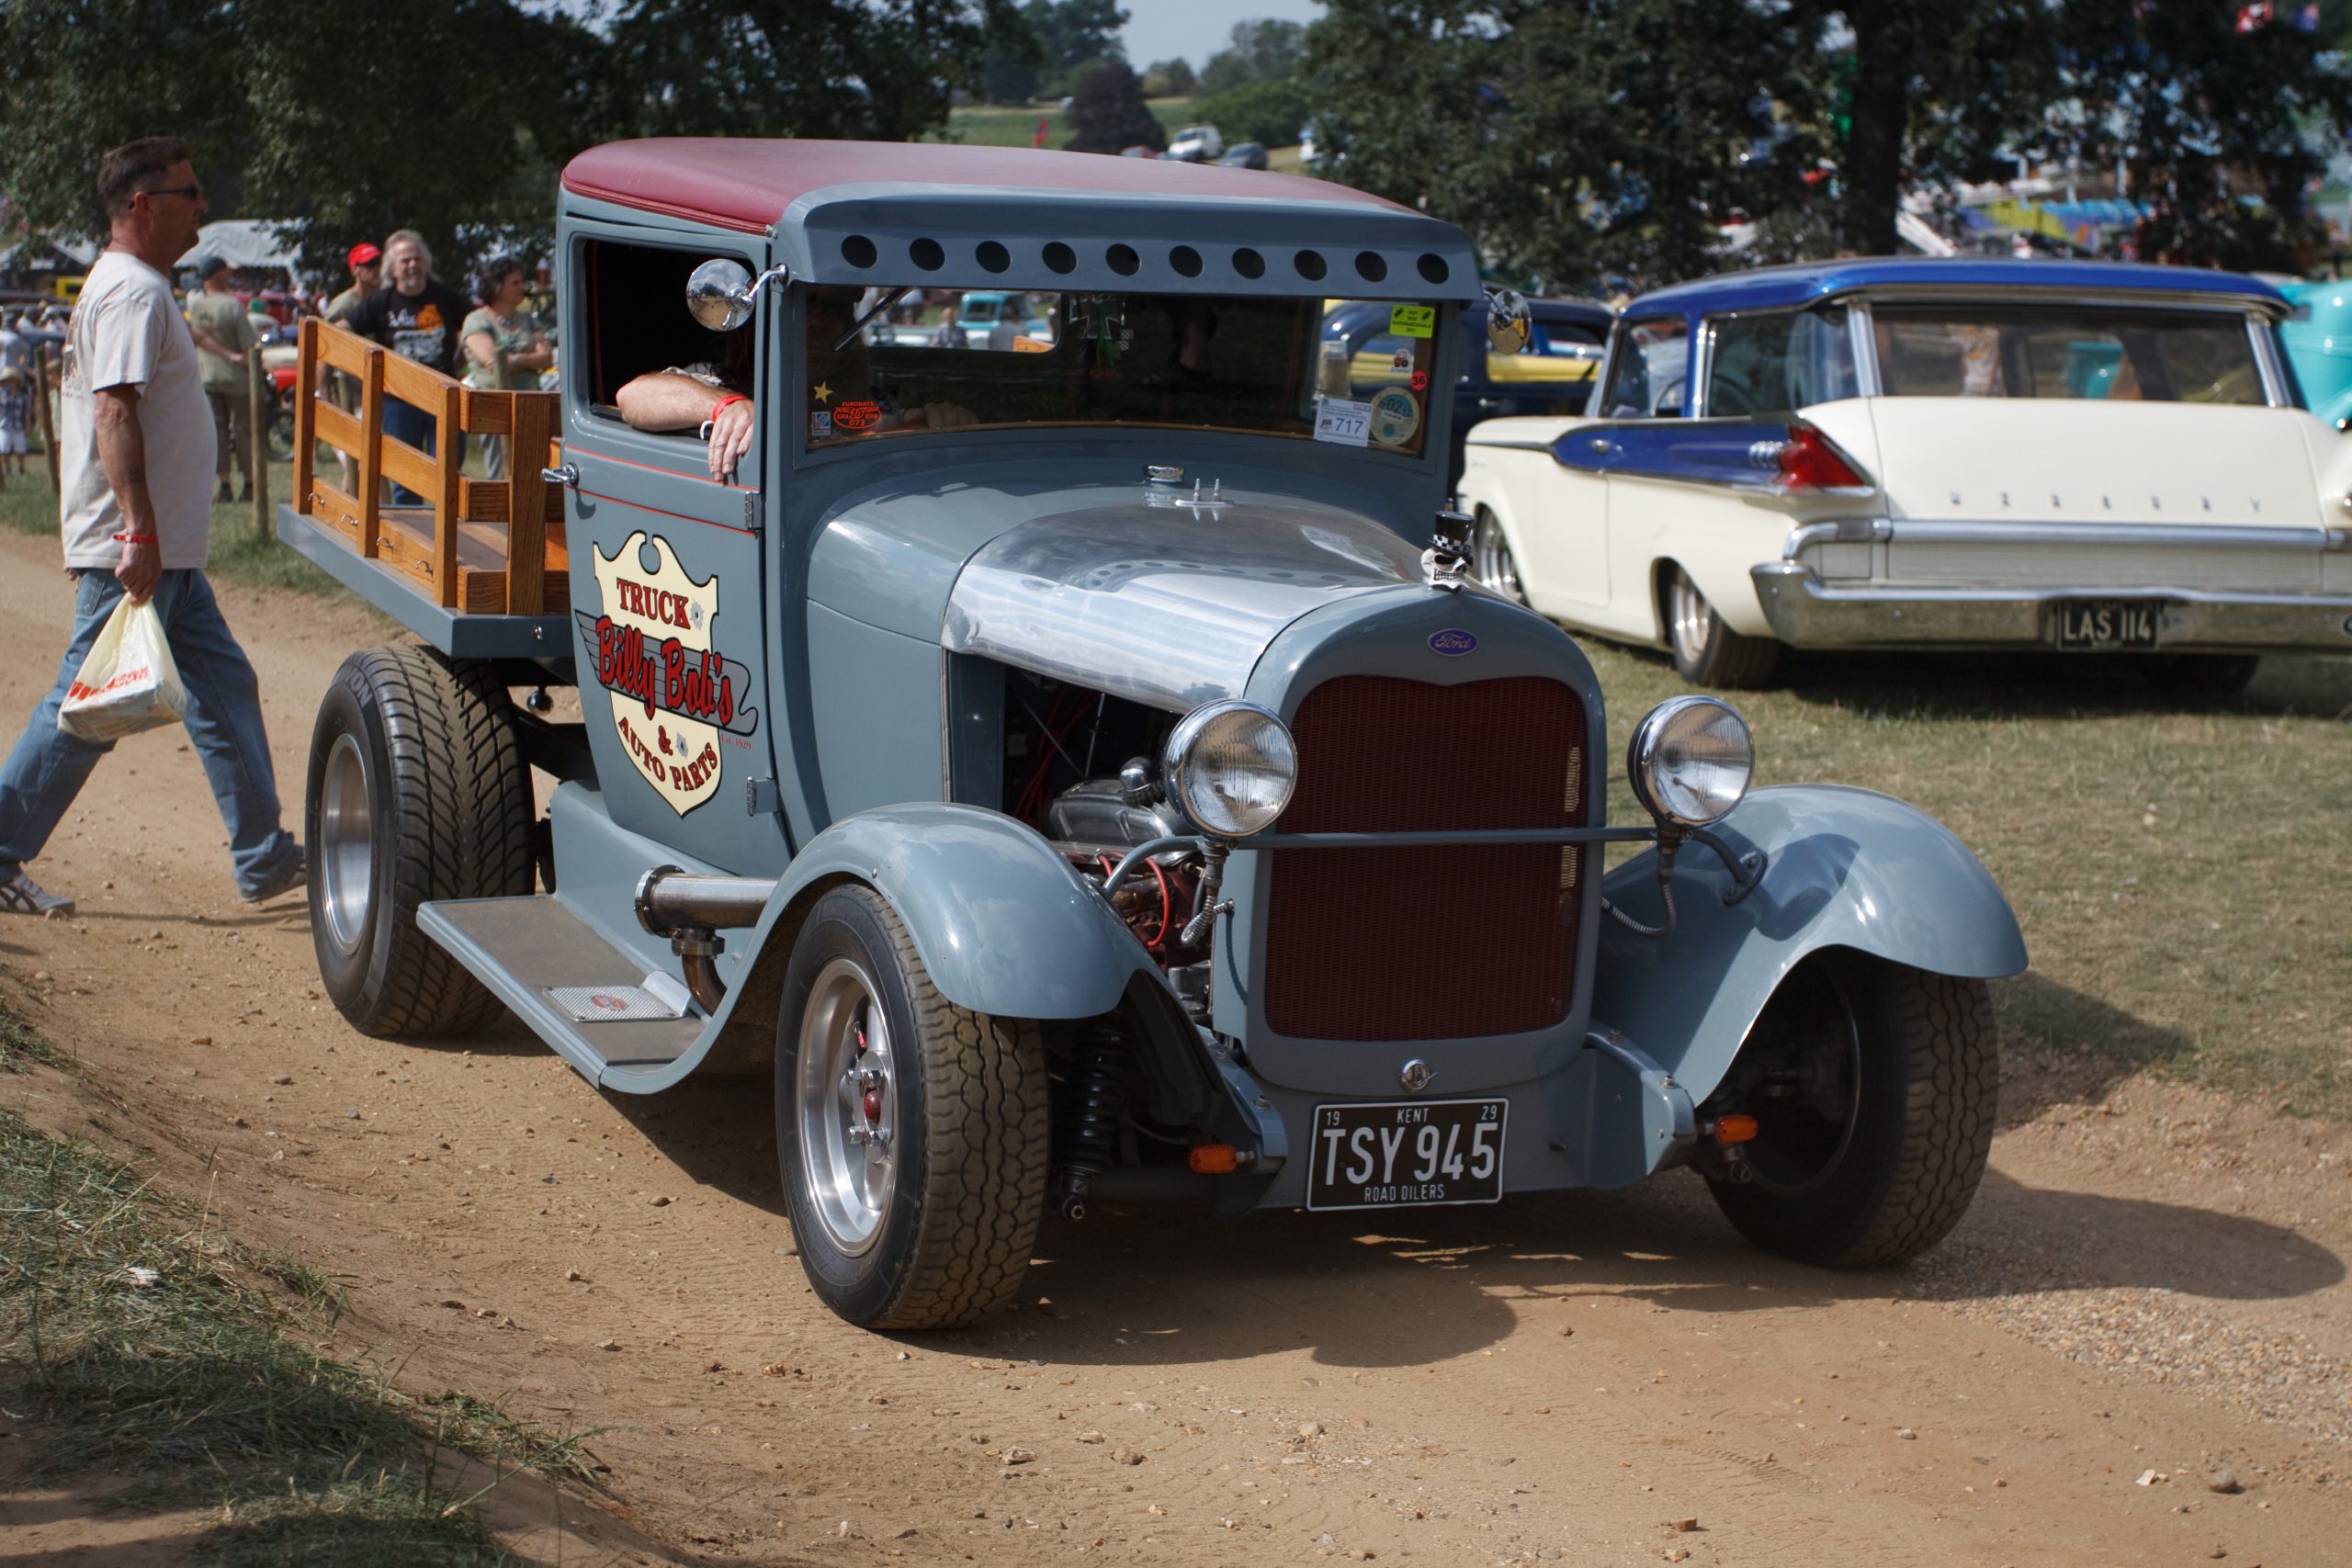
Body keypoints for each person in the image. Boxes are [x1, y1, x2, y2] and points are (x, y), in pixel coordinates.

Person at [0, 136, 302, 917]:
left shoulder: (133, 284)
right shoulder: (133, 290)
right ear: (142, 203)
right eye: (188, 192)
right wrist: (136, 530)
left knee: (221, 683)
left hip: (157, 547)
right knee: (86, 706)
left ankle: (264, 854)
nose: (202, 205)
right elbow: (112, 409)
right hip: (137, 545)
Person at [615, 288, 972, 481]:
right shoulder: (723, 380)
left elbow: (900, 435)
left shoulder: (873, 397)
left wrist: (944, 421)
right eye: (803, 305)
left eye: (833, 308)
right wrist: (728, 406)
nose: (817, 320)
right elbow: (633, 395)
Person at [337, 228, 469, 503]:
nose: (412, 266)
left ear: (426, 263)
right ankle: (411, 538)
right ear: (393, 269)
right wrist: (367, 359)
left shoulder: (444, 297)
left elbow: (473, 327)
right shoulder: (380, 301)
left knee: (448, 473)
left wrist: (461, 361)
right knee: (405, 476)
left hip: (443, 396)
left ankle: (448, 536)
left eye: (417, 259)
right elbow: (342, 329)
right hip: (398, 400)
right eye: (405, 261)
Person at [458, 254, 553, 479]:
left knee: (533, 466)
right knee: (501, 470)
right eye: (515, 283)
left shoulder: (527, 319)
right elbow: (494, 362)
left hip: (531, 401)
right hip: (494, 404)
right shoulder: (476, 320)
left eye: (522, 281)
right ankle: (501, 515)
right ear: (497, 286)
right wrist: (528, 357)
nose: (522, 287)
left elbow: (547, 358)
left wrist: (516, 360)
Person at [184, 253, 256, 502]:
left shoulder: (194, 303)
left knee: (218, 432)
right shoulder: (232, 306)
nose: (231, 275)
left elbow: (195, 333)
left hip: (207, 377)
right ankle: (249, 484)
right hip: (236, 379)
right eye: (227, 271)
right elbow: (248, 346)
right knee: (243, 431)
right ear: (217, 274)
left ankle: (224, 485)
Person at [323, 242, 381, 491]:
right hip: (348, 393)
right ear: (355, 270)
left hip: (376, 393)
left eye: (378, 263)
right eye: (369, 265)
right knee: (356, 461)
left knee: (375, 462)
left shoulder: (384, 299)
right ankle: (346, 517)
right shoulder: (343, 306)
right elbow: (325, 349)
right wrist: (324, 394)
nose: (376, 269)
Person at [0, 367, 28, 479]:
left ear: (17, 381)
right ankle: (8, 469)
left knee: (20, 450)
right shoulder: (1, 395)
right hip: (4, 425)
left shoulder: (23, 395)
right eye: (8, 380)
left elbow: (26, 412)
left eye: (12, 380)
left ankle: (22, 470)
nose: (10, 382)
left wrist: (27, 426)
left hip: (18, 425)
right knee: (3, 448)